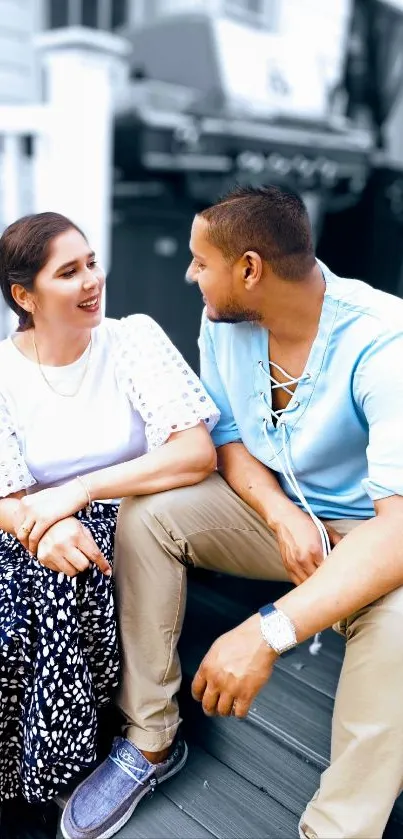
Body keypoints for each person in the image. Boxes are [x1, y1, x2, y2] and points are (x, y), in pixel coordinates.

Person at [62, 184, 403, 839]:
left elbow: (397, 528)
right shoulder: (223, 319)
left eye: (200, 261)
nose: (188, 273)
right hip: (284, 521)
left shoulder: (386, 342)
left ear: (249, 267)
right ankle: (151, 739)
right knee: (150, 512)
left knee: (398, 629)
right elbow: (226, 440)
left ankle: (336, 830)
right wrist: (277, 511)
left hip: (375, 537)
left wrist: (267, 631)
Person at [0, 211, 218, 805]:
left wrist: (78, 493)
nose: (92, 280)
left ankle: (62, 775)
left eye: (92, 262)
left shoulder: (132, 338)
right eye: (69, 272)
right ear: (26, 295)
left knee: (58, 580)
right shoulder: (3, 372)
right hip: (45, 523)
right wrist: (36, 526)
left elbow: (195, 452)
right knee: (26, 577)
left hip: (138, 521)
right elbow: (7, 493)